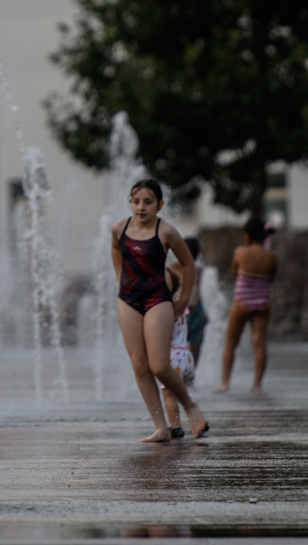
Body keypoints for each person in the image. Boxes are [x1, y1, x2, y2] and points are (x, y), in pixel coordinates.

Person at [111, 179, 207, 442]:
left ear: (160, 205)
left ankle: (190, 405)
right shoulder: (119, 228)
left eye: (148, 202)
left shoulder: (166, 231)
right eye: (136, 201)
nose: (141, 207)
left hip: (157, 299)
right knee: (139, 365)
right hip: (127, 299)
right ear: (130, 203)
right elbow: (115, 250)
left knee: (159, 365)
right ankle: (161, 427)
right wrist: (120, 277)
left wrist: (183, 299)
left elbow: (187, 264)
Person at [216, 217, 278, 394]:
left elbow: (235, 272)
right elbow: (271, 278)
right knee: (259, 343)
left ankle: (225, 383)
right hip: (262, 303)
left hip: (242, 302)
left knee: (230, 343)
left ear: (248, 236)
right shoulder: (271, 256)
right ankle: (257, 385)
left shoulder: (240, 252)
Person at [158, 267, 196, 439]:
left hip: (173, 358)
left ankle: (175, 426)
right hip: (187, 356)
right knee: (181, 394)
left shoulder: (166, 311)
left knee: (168, 394)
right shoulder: (181, 307)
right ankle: (195, 417)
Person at [180, 236, 208, 365]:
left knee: (179, 348)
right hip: (190, 312)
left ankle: (183, 379)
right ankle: (188, 379)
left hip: (182, 313)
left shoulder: (171, 269)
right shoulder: (198, 271)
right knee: (193, 350)